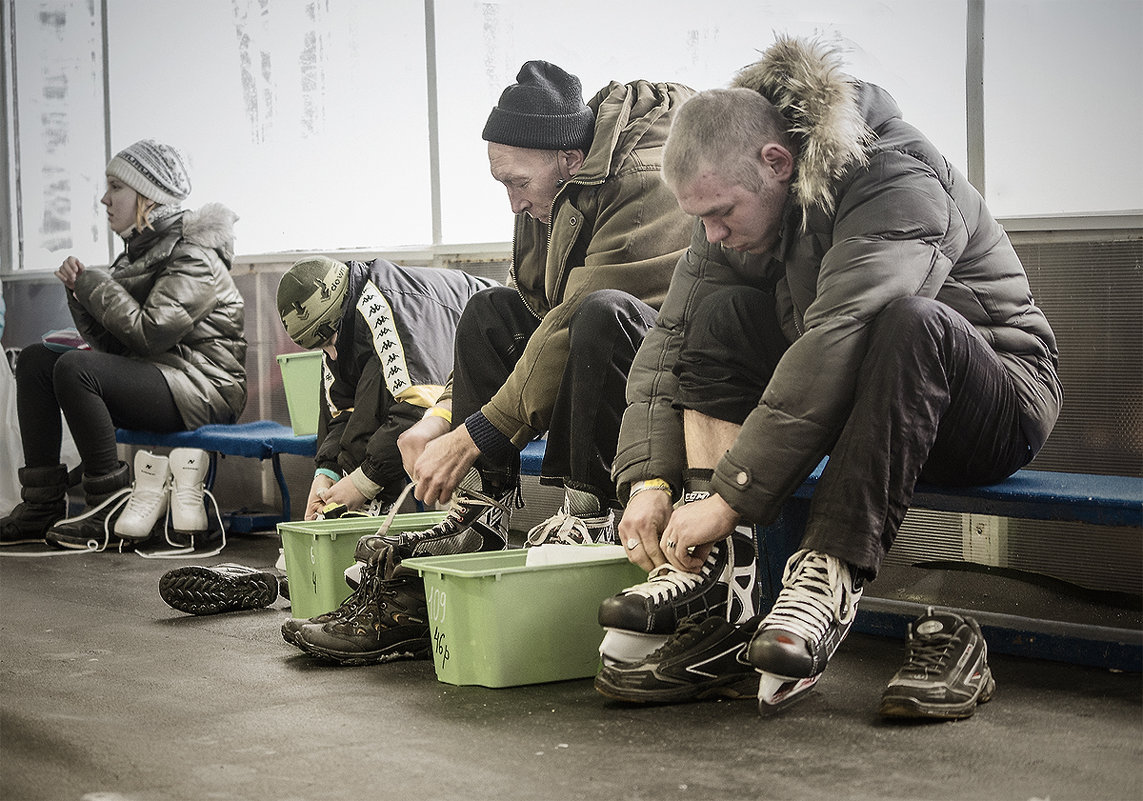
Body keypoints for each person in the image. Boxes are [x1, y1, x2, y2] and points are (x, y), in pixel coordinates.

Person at [594, 36, 1060, 719]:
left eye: (720, 213)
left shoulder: (896, 172)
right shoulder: (731, 198)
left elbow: (844, 332)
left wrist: (730, 493)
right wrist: (650, 478)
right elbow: (673, 338)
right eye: (702, 217)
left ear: (776, 162)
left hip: (989, 402)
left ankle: (827, 574)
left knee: (908, 321)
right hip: (867, 402)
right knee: (716, 313)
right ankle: (724, 584)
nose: (713, 232)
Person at [283, 60, 695, 665]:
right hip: (583, 349)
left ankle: (591, 512)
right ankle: (481, 513)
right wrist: (441, 416)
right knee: (488, 312)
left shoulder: (643, 182)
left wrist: (475, 434)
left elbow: (571, 323)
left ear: (569, 159)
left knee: (597, 314)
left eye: (517, 182)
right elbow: (529, 318)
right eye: (501, 182)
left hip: (655, 368)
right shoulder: (543, 201)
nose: (511, 199)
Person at [0, 139, 246, 549]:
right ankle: (41, 505)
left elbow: (150, 332)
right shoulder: (136, 254)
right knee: (36, 360)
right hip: (162, 375)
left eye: (115, 187)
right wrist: (78, 295)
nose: (104, 198)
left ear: (147, 195)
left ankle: (107, 506)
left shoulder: (195, 254)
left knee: (75, 369)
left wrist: (92, 284)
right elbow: (111, 347)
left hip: (203, 386)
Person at [277, 255, 497, 520]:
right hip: (456, 377)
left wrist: (363, 482)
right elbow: (340, 407)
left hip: (502, 355)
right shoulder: (341, 320)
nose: (331, 355)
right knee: (359, 376)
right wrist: (326, 473)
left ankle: (367, 502)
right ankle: (352, 501)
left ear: (339, 313)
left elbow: (417, 405)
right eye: (321, 348)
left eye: (330, 341)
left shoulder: (383, 309)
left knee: (378, 377)